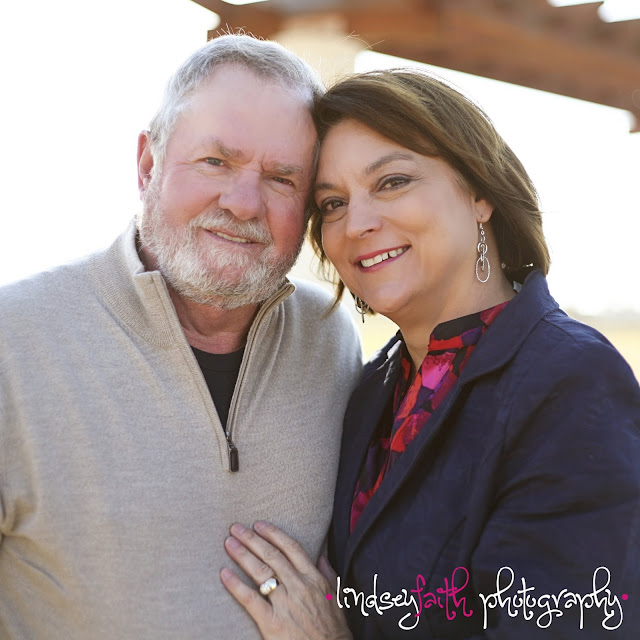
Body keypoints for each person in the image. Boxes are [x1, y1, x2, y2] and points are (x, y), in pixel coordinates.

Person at [220, 68, 640, 639]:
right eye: (333, 203)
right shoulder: (369, 391)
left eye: (392, 182)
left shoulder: (571, 382)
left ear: (480, 193)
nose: (358, 223)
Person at [0, 34, 363, 639]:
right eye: (215, 162)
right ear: (148, 166)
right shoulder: (13, 342)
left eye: (281, 178)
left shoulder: (330, 341)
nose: (243, 204)